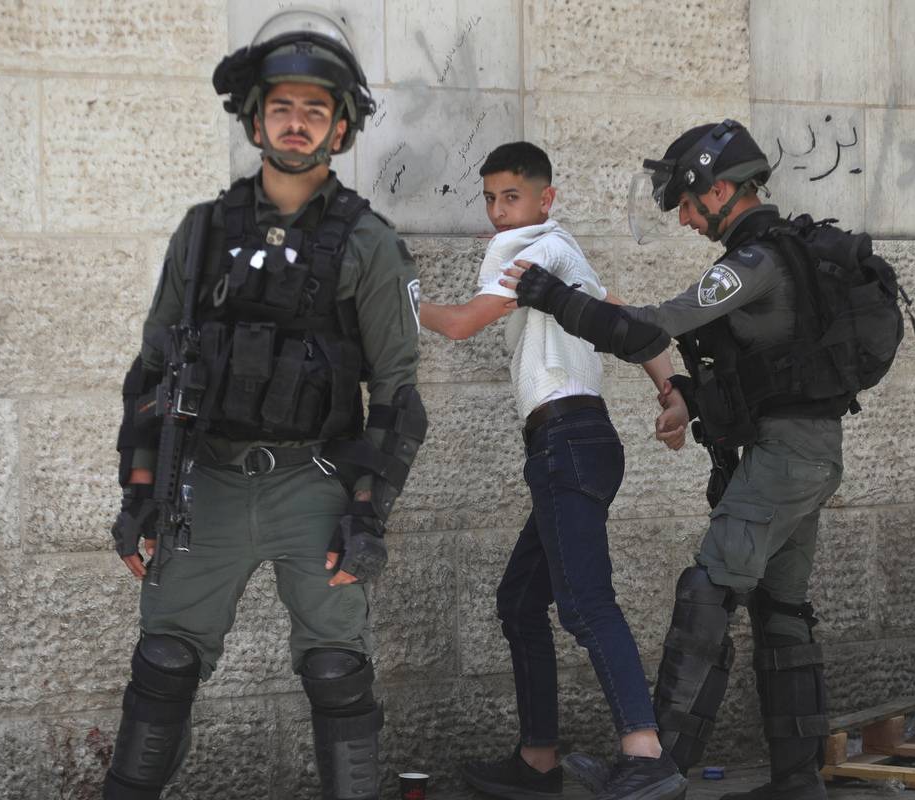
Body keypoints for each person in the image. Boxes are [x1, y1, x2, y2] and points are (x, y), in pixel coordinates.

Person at [105, 9, 426, 799]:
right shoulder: (203, 232)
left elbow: (396, 395)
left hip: (312, 485)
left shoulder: (369, 244)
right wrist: (140, 491)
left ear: (342, 129)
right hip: (204, 485)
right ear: (255, 118)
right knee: (165, 660)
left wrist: (366, 512)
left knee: (335, 668)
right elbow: (152, 371)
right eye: (281, 106)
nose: (296, 122)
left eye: (316, 109)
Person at [505, 120, 847, 800]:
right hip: (800, 453)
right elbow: (765, 368)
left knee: (708, 591)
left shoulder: (752, 262)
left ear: (722, 190)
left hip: (785, 458)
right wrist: (687, 396)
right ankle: (798, 780)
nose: (687, 219)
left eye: (691, 204)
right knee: (781, 611)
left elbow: (649, 326)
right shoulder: (774, 254)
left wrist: (555, 297)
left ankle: (655, 765)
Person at [419, 141, 688, 800]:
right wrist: (670, 389)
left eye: (511, 196)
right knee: (520, 602)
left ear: (545, 198)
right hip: (573, 444)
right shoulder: (564, 250)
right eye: (490, 198)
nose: (498, 211)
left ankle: (644, 754)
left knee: (586, 605)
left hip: (567, 441)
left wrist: (397, 299)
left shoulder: (534, 247)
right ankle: (539, 760)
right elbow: (621, 315)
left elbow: (460, 326)